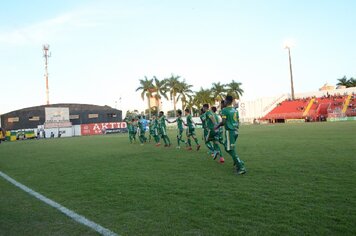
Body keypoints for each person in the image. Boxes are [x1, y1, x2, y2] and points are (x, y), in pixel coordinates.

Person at [216, 95, 246, 175]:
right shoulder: (235, 110)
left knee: (230, 149)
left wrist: (217, 126)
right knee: (227, 147)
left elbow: (224, 121)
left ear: (226, 101)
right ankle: (237, 162)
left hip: (230, 131)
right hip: (236, 131)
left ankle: (241, 166)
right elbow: (237, 120)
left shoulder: (224, 110)